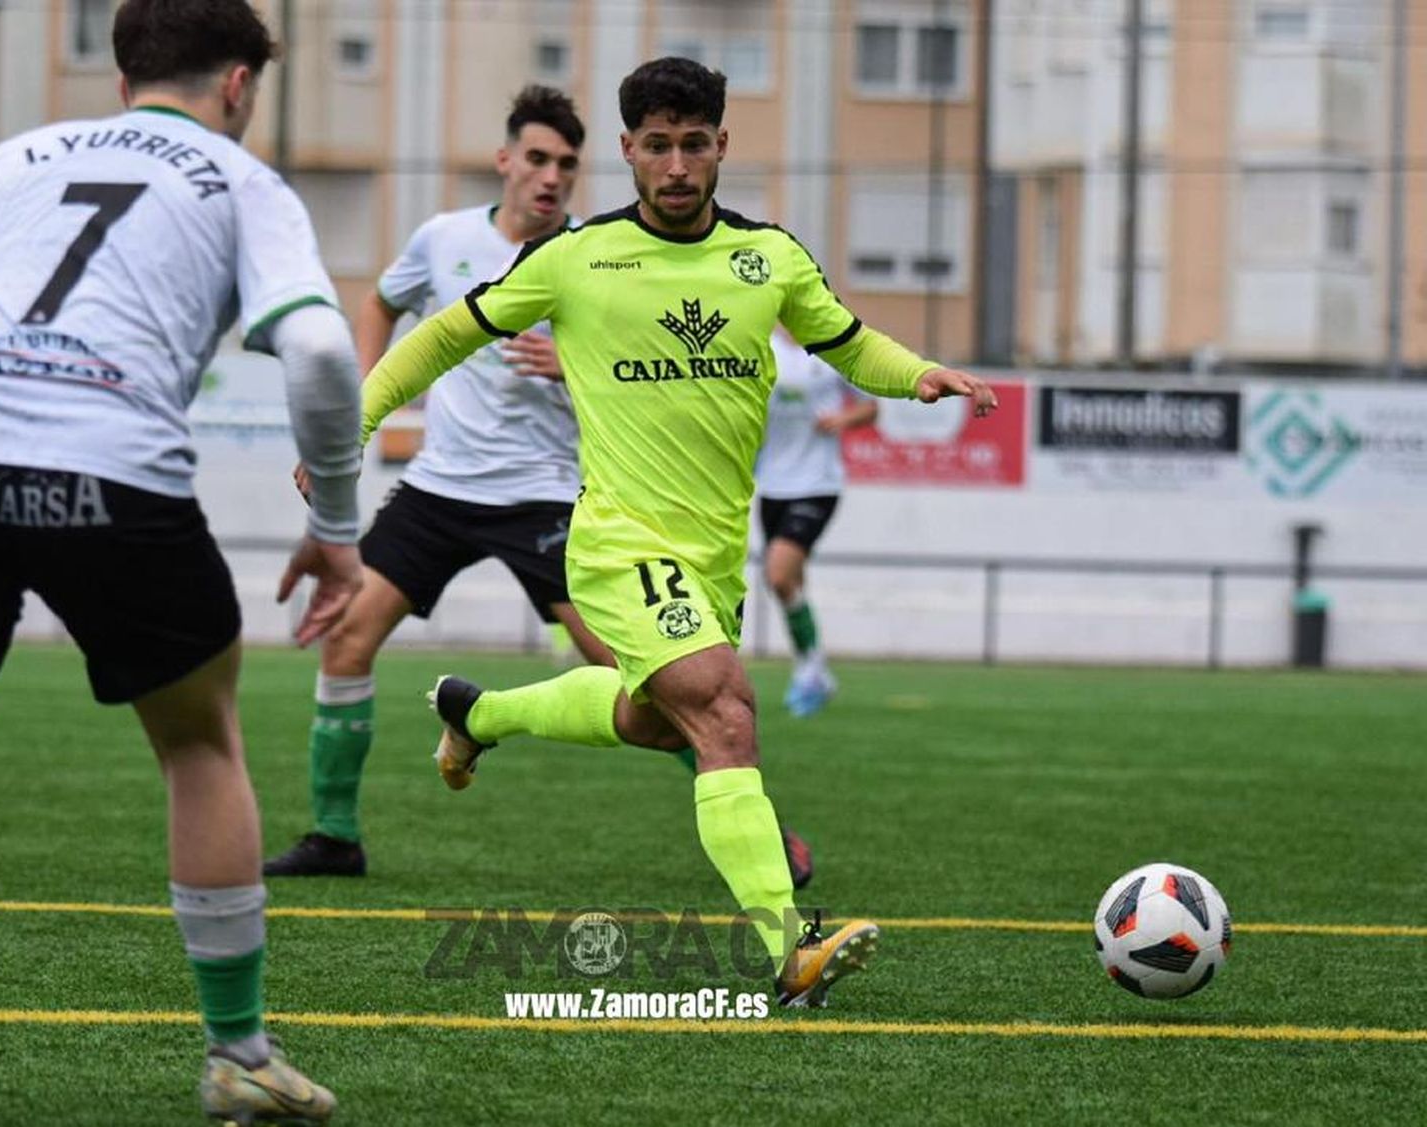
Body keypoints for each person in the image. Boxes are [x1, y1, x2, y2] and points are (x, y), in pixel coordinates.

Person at [357, 57, 998, 1007]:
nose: (676, 165)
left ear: (721, 147)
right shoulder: (576, 259)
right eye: (656, 146)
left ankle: (477, 714)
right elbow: (450, 332)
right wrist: (358, 418)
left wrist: (920, 374)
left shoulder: (769, 259)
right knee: (729, 713)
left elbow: (847, 340)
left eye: (693, 144)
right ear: (627, 152)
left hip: (711, 559)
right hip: (617, 543)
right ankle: (791, 945)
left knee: (656, 720)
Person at [0, 1, 361, 1121]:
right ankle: (238, 1055)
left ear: (123, 79)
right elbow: (315, 344)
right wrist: (341, 525)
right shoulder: (238, 178)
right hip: (116, 477)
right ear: (236, 88)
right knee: (200, 744)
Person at [262, 84, 617, 878]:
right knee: (347, 639)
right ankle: (335, 836)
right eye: (537, 158)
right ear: (505, 161)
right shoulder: (443, 238)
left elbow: (636, 366)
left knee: (635, 673)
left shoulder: (598, 254)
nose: (551, 176)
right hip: (441, 486)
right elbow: (378, 305)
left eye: (566, 163)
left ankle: (747, 814)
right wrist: (359, 405)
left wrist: (575, 362)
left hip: (547, 490)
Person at [755, 326, 878, 717]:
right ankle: (813, 670)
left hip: (817, 483)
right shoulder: (760, 345)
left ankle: (812, 667)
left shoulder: (828, 347)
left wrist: (843, 419)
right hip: (772, 485)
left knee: (777, 575)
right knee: (790, 584)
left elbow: (870, 406)